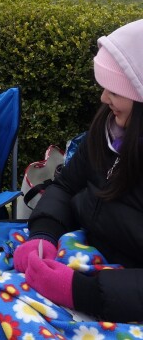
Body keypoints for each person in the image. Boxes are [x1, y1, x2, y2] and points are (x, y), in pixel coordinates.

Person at [10, 18, 143, 322]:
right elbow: (66, 186)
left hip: (115, 299)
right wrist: (43, 233)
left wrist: (80, 292)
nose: (103, 98)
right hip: (87, 261)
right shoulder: (108, 133)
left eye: (115, 90)